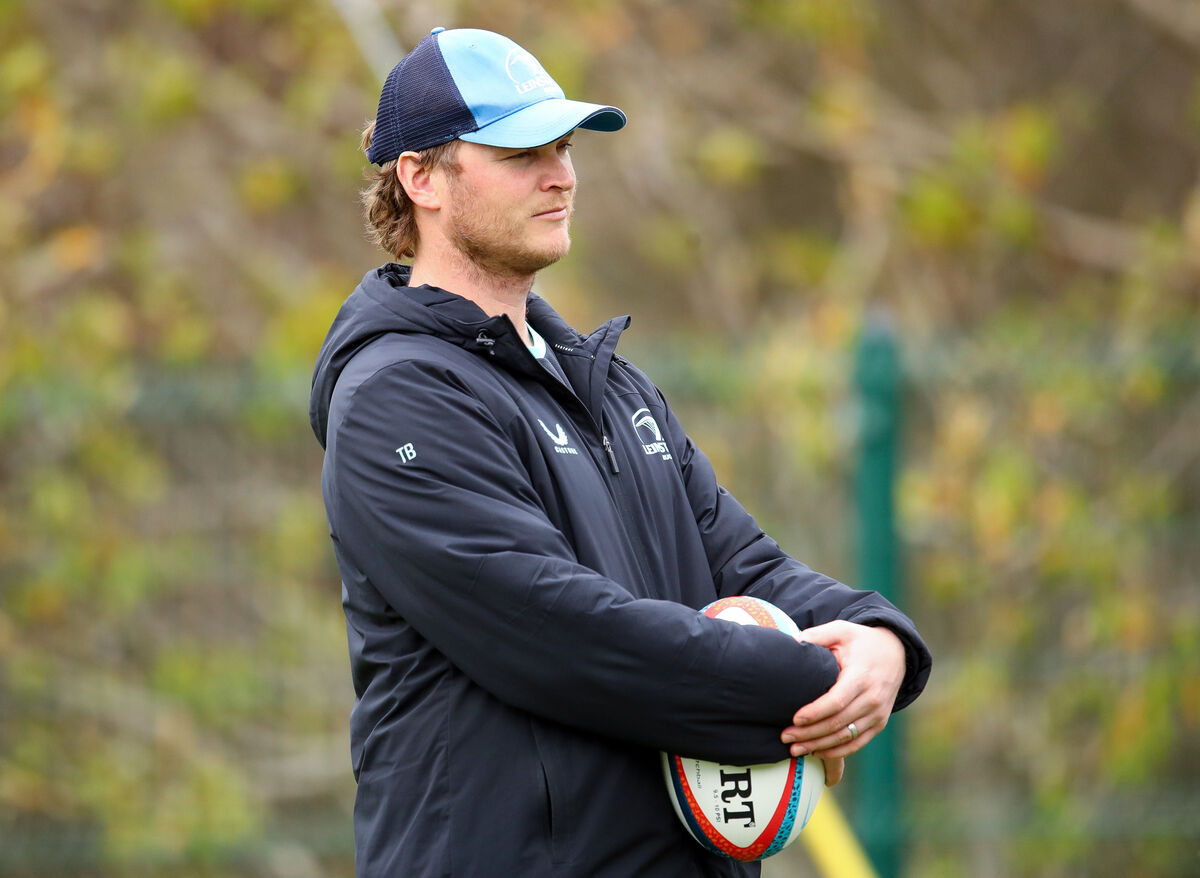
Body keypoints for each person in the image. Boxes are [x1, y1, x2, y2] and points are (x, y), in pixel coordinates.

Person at [310, 26, 931, 878]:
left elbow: (742, 564)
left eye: (563, 146)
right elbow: (562, 635)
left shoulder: (612, 386)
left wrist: (877, 641)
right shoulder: (397, 397)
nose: (561, 173)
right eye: (522, 149)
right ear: (421, 178)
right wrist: (805, 683)